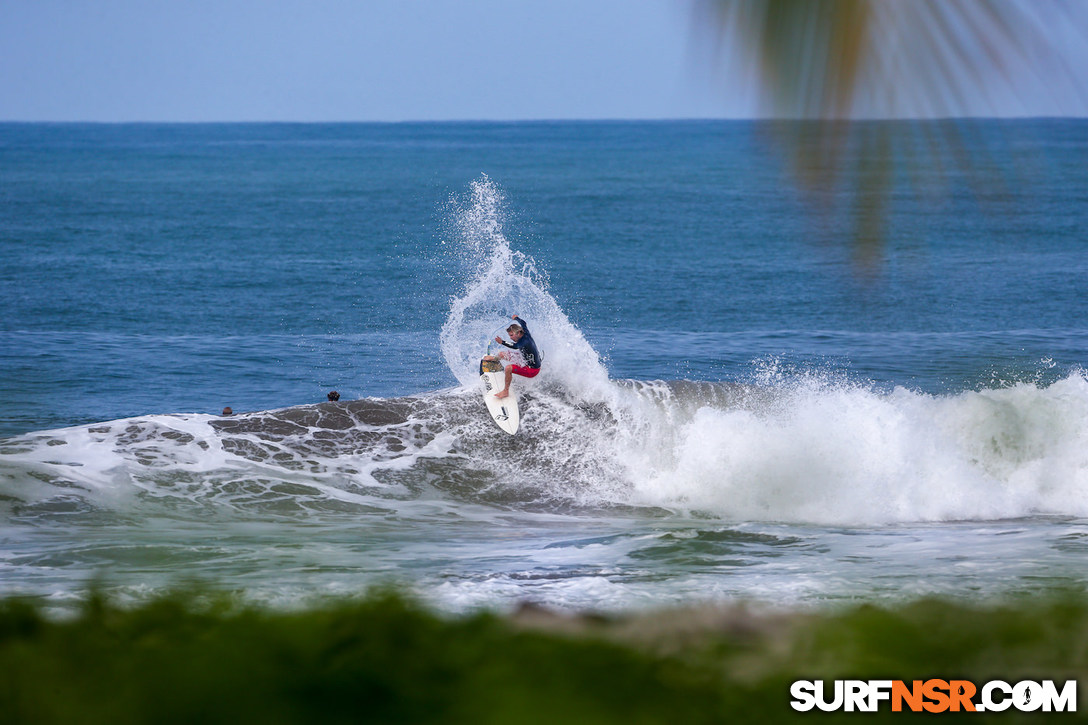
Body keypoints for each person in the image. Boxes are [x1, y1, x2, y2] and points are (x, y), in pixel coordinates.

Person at [483, 314, 541, 399]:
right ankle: (494, 359)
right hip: (525, 359)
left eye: (511, 335)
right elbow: (523, 322)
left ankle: (505, 391)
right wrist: (516, 318)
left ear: (518, 333)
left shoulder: (524, 342)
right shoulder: (524, 331)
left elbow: (515, 346)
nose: (510, 337)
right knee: (502, 354)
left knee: (508, 368)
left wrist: (502, 342)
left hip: (532, 370)